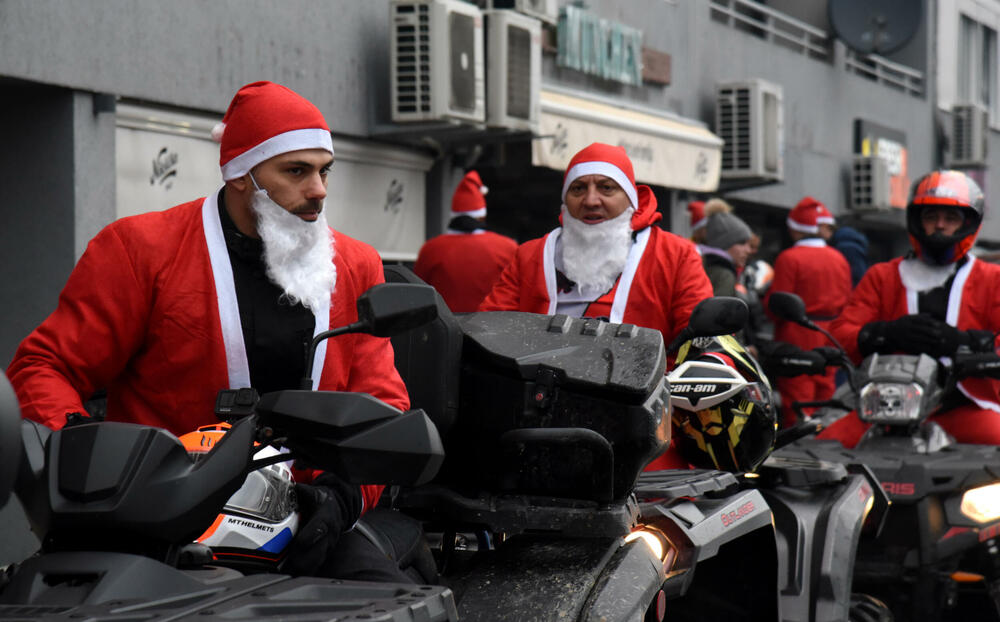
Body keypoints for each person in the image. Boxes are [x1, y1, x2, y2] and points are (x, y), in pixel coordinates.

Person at [6, 81, 411, 582]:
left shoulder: (356, 262)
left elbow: (382, 403)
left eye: (324, 171)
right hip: (162, 521)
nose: (319, 190)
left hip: (309, 522)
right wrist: (88, 464)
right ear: (242, 175)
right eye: (296, 171)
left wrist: (342, 497)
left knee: (397, 601)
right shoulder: (140, 249)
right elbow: (44, 367)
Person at [479, 142, 714, 469]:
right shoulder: (530, 256)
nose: (591, 200)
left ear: (631, 197)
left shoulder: (675, 255)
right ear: (565, 199)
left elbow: (700, 346)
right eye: (578, 188)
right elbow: (491, 332)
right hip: (539, 434)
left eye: (606, 188)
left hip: (644, 442)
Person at [819, 170, 1000, 447]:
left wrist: (962, 343)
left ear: (967, 223)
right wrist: (886, 333)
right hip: (883, 409)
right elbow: (840, 334)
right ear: (917, 221)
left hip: (962, 407)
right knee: (822, 451)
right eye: (931, 217)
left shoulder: (992, 279)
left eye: (951, 218)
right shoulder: (882, 276)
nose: (940, 225)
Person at [764, 196, 852, 428]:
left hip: (796, 334)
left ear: (795, 230)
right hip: (831, 333)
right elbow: (847, 301)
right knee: (826, 395)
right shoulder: (839, 258)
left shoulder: (789, 258)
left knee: (798, 398)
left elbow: (776, 306)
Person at [413, 170, 517, 312]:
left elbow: (418, 296)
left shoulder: (430, 249)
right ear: (482, 216)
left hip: (444, 330)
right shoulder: (507, 248)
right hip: (492, 330)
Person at [700, 210, 753, 298]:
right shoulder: (725, 275)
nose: (748, 250)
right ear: (724, 244)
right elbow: (719, 310)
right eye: (742, 242)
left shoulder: (705, 266)